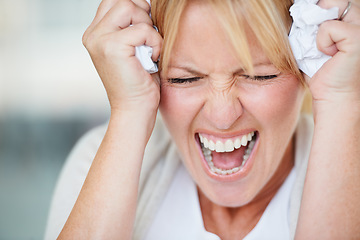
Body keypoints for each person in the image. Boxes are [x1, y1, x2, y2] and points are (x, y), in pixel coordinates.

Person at [45, 0, 360, 239]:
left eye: (259, 75)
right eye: (184, 79)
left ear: (307, 65)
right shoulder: (97, 160)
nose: (222, 117)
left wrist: (340, 100)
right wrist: (130, 109)